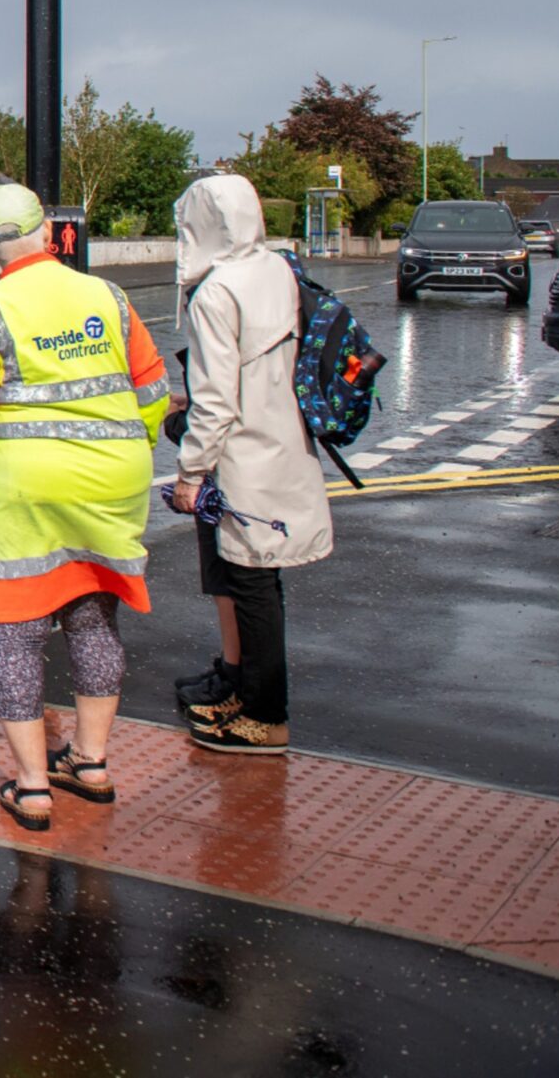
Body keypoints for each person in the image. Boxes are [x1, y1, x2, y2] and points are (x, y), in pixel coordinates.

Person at [0, 184, 171, 831]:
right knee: (95, 618)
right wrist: (132, 443)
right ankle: (90, 763)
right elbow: (153, 387)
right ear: (48, 232)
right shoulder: (108, 297)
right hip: (113, 478)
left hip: (27, 488)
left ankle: (33, 785)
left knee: (16, 632)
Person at [167, 173, 332, 754]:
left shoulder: (216, 292)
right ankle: (244, 694)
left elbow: (216, 399)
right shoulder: (278, 269)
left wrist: (190, 473)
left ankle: (265, 718)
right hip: (284, 444)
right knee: (263, 580)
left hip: (243, 458)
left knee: (251, 585)